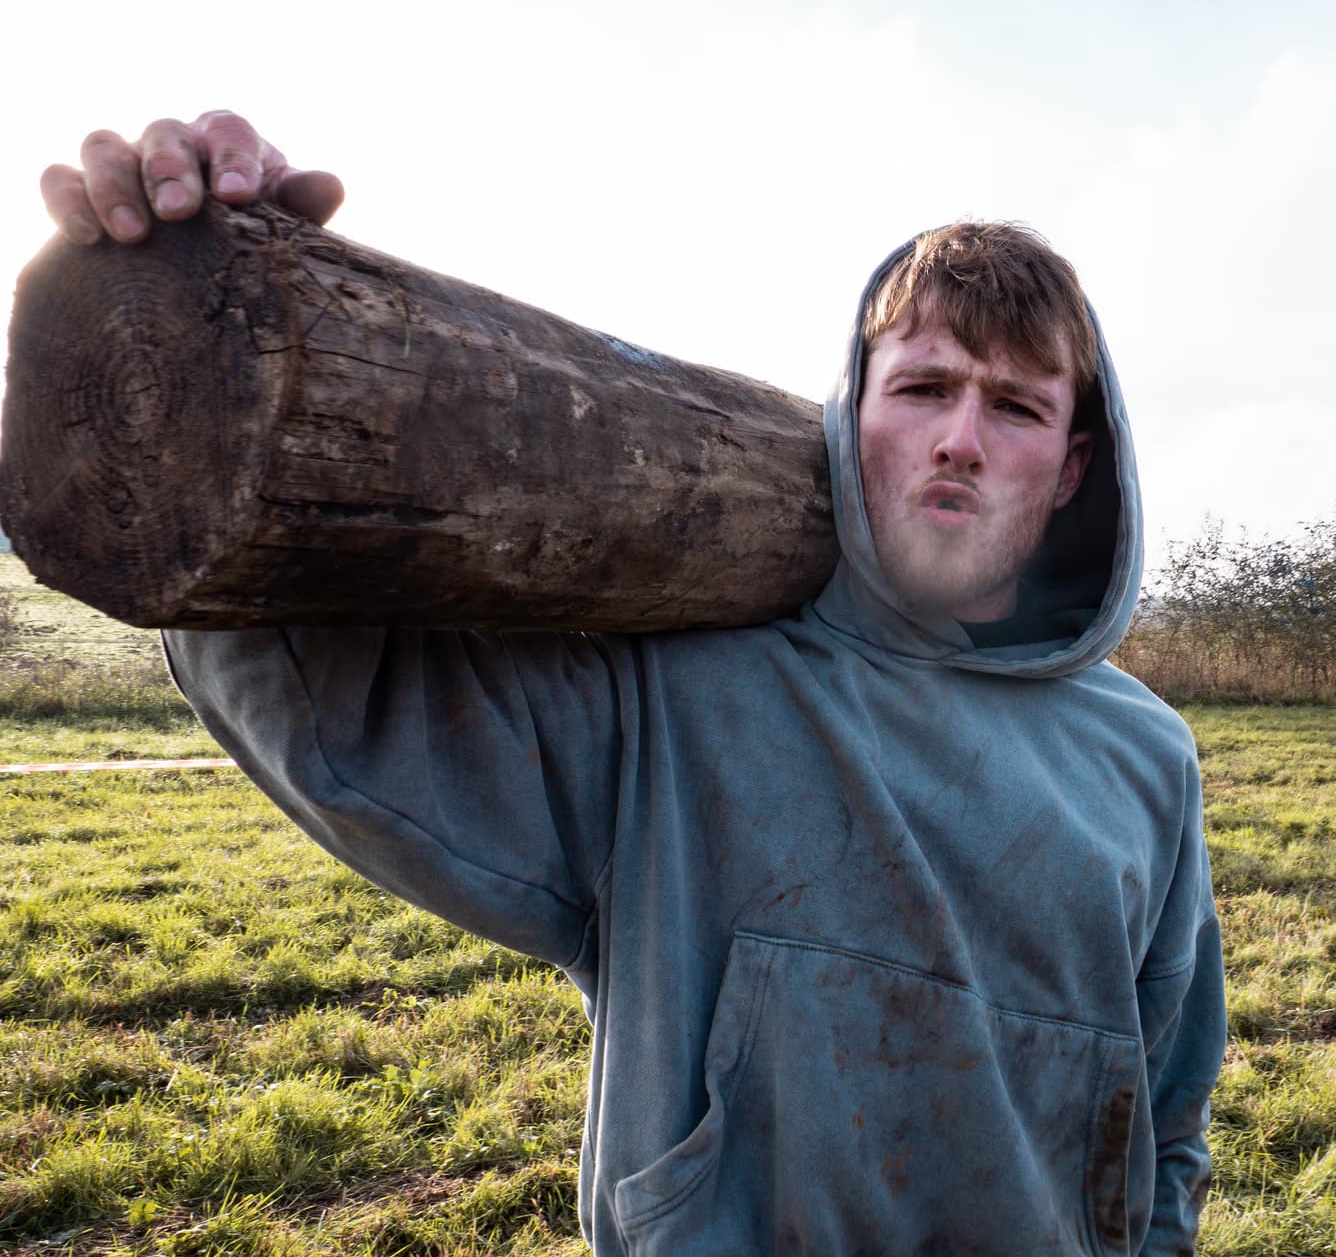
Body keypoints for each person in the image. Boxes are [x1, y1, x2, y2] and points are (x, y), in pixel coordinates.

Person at [42, 111, 1226, 1256]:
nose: (960, 436)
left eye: (1014, 405)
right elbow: (341, 712)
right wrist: (221, 308)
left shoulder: (1144, 757)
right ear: (850, 410)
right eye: (922, 387)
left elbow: (1167, 1107)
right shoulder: (682, 687)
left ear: (1073, 465)